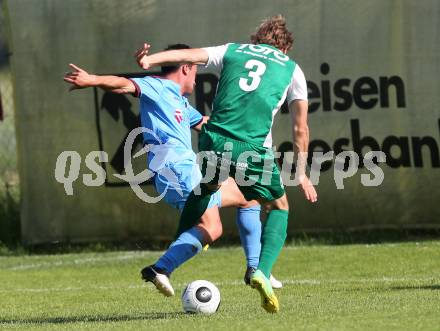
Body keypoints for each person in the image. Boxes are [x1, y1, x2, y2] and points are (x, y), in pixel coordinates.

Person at [63, 44, 282, 297]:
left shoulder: (179, 101)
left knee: (248, 196)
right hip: (174, 169)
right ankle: (161, 269)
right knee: (213, 227)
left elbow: (206, 124)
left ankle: (256, 270)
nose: (197, 79)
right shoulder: (157, 86)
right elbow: (123, 84)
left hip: (186, 171)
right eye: (196, 72)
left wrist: (247, 131)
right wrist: (92, 80)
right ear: (186, 68)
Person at [135, 15, 318, 313]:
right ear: (285, 48)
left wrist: (150, 60)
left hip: (214, 140)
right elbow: (300, 129)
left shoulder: (235, 50)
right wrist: (302, 173)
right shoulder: (291, 68)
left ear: (257, 39)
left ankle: (174, 254)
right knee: (280, 205)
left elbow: (188, 55)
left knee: (218, 192)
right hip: (253, 150)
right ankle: (260, 270)